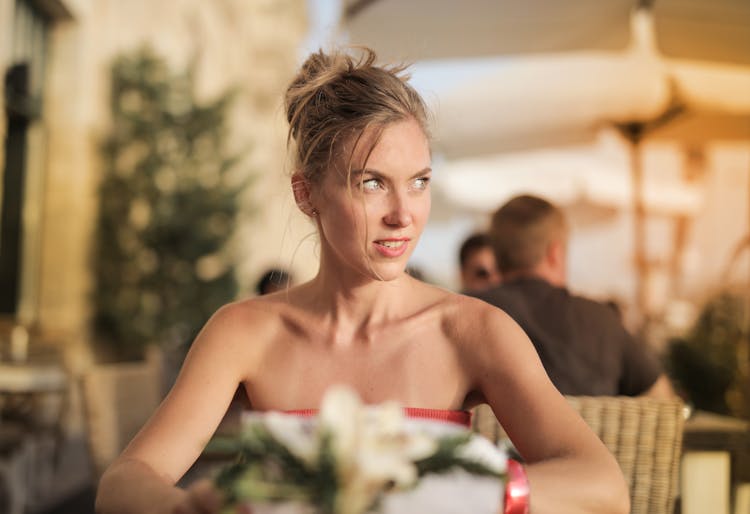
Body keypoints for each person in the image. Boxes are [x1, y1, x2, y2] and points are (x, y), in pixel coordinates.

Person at [96, 48, 629, 514]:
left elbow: (602, 488)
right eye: (373, 183)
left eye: (419, 182)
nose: (404, 214)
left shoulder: (473, 330)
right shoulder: (242, 332)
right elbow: (124, 482)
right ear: (307, 194)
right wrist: (181, 507)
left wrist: (466, 493)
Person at [472, 194, 674, 398]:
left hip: (480, 431)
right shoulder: (601, 321)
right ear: (555, 254)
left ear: (495, 256)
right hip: (592, 430)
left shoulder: (471, 313)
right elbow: (661, 399)